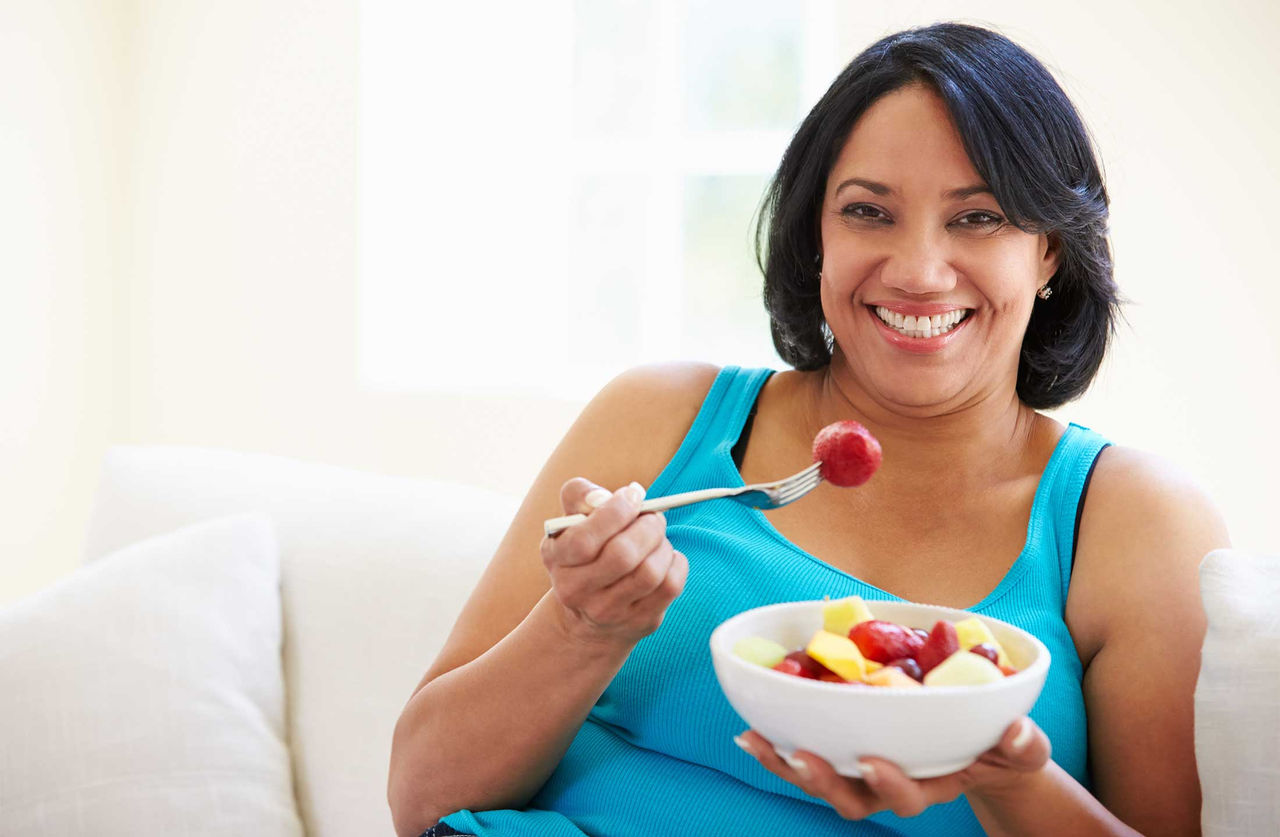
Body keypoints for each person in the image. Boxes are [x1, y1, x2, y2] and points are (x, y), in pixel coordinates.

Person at [388, 22, 1228, 837]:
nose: (918, 270)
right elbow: (421, 795)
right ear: (814, 234)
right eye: (868, 211)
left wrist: (1004, 772)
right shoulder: (660, 418)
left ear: (1049, 251)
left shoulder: (1135, 521)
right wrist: (584, 626)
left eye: (978, 218)